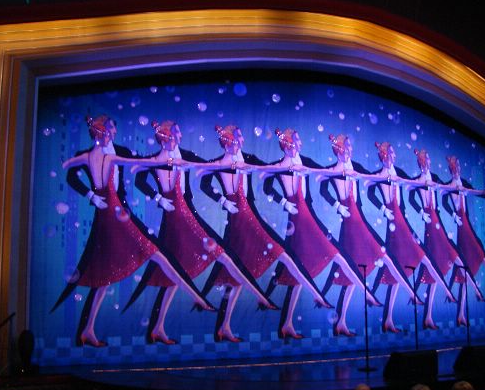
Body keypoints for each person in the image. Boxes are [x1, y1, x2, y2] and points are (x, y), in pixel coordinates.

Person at [54, 115, 212, 346]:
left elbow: (138, 164)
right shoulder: (94, 155)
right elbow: (70, 172)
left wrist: (167, 164)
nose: (113, 132)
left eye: (113, 129)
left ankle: (88, 330)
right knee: (155, 255)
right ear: (101, 132)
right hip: (111, 216)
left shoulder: (116, 151)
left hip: (118, 212)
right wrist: (91, 195)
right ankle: (196, 297)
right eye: (110, 128)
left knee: (109, 270)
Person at [125, 120, 263, 344]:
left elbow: (209, 168)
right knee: (181, 266)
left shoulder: (191, 155)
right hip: (176, 218)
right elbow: (140, 178)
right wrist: (158, 197)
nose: (179, 136)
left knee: (183, 267)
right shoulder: (157, 158)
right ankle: (192, 310)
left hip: (195, 213)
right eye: (176, 133)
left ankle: (169, 324)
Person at [198, 124, 330, 341]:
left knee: (254, 266)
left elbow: (269, 170)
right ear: (228, 140)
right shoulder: (219, 163)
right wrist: (222, 200)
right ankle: (230, 322)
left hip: (250, 217)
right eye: (237, 137)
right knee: (250, 267)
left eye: (241, 137)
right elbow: (204, 182)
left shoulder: (249, 158)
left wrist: (290, 171)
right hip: (239, 221)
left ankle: (229, 324)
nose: (241, 140)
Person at [263, 129, 383, 338]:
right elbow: (266, 183)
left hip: (308, 216)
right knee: (332, 255)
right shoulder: (279, 166)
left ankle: (288, 323)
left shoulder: (307, 162)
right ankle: (366, 295)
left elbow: (327, 174)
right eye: (296, 141)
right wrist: (283, 201)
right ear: (288, 144)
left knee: (301, 270)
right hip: (299, 219)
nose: (299, 145)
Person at [318, 133, 420, 335]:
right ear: (338, 149)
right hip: (351, 224)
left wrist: (387, 178)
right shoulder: (333, 170)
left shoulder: (357, 167)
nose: (350, 149)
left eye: (350, 146)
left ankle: (342, 321)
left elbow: (372, 180)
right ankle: (403, 294)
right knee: (381, 255)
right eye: (346, 146)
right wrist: (337, 205)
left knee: (354, 271)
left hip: (359, 220)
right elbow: (322, 187)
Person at [367, 142, 452, 332]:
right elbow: (370, 190)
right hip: (394, 224)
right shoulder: (378, 175)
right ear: (384, 155)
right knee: (417, 258)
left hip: (402, 222)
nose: (394, 156)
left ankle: (388, 317)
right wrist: (383, 208)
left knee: (397, 269)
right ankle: (437, 293)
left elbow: (415, 186)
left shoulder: (401, 173)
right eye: (390, 153)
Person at [409, 148, 482, 328]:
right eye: (423, 160)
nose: (426, 163)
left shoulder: (435, 177)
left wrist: (477, 193)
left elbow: (445, 192)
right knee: (440, 264)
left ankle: (429, 315)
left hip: (437, 223)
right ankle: (472, 292)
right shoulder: (417, 180)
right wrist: (421, 211)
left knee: (440, 266)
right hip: (430, 226)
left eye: (427, 159)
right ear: (420, 163)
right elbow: (411, 197)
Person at [442, 155, 485, 301]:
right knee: (476, 259)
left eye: (457, 166)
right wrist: (453, 214)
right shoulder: (448, 186)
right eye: (454, 167)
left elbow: (472, 191)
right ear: (450, 169)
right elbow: (444, 201)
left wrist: (483, 194)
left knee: (480, 259)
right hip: (462, 227)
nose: (456, 169)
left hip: (466, 226)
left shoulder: (463, 183)